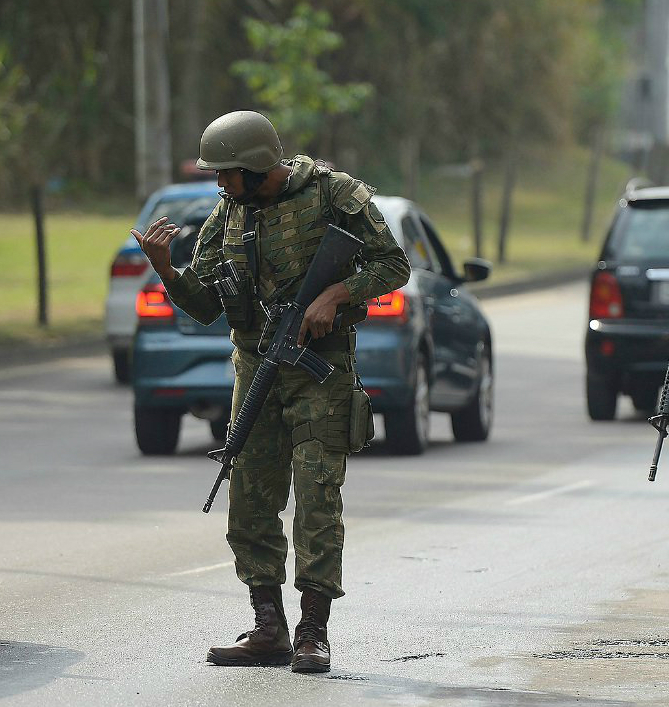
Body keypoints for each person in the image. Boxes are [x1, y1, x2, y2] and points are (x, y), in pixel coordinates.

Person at [132, 110, 410, 673]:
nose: (219, 183)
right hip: (257, 367)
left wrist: (336, 294)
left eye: (227, 173)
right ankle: (268, 626)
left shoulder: (334, 195)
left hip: (319, 372)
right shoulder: (229, 214)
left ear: (257, 166)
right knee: (251, 499)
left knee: (316, 497)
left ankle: (313, 630)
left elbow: (394, 264)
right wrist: (167, 269)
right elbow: (207, 306)